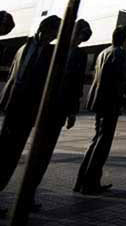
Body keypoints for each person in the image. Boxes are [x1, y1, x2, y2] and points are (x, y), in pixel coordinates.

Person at [26, 20, 92, 209]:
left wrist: (72, 111)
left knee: (42, 152)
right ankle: (28, 193)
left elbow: (76, 86)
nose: (79, 41)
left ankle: (29, 193)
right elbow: (73, 84)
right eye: (79, 37)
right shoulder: (59, 51)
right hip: (50, 108)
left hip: (55, 109)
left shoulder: (65, 52)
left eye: (82, 39)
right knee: (40, 152)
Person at [0, 15, 61, 216]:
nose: (54, 38)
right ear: (45, 30)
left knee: (11, 155)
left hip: (27, 112)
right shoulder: (24, 48)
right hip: (14, 108)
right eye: (53, 33)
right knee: (6, 154)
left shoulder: (49, 51)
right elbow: (13, 77)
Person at [74, 25, 126, 195]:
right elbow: (117, 80)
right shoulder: (119, 53)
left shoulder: (103, 52)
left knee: (96, 140)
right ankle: (90, 183)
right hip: (109, 102)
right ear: (125, 40)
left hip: (99, 101)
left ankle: (82, 181)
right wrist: (120, 101)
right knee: (102, 143)